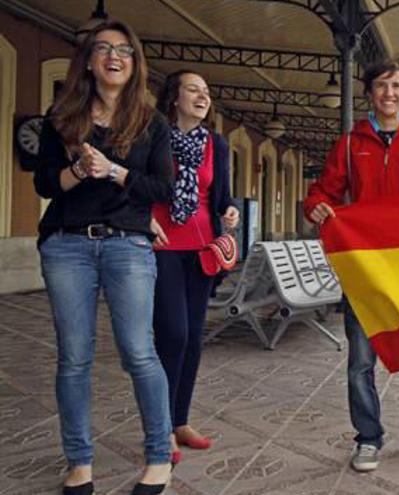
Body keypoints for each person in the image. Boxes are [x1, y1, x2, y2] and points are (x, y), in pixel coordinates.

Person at [33, 20, 174, 495]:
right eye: (104, 49)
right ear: (90, 62)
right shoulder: (62, 116)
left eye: (124, 51)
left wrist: (114, 170)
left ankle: (159, 456)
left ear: (135, 65)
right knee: (73, 358)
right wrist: (78, 168)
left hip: (127, 245)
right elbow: (45, 185)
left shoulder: (152, 122)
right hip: (67, 244)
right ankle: (79, 462)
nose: (114, 57)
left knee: (138, 352)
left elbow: (164, 189)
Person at [303, 59, 399, 472]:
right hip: (363, 271)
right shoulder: (349, 144)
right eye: (382, 86)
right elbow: (322, 191)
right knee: (361, 360)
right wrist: (316, 208)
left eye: (397, 87)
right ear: (369, 93)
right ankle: (368, 437)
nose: (389, 94)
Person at [152, 70, 239, 465]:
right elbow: (140, 184)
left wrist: (230, 209)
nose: (202, 97)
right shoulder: (153, 136)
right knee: (172, 335)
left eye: (206, 91)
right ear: (174, 98)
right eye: (193, 90)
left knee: (193, 339)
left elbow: (220, 193)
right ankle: (161, 428)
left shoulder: (215, 144)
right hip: (162, 247)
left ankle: (180, 421)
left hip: (202, 249)